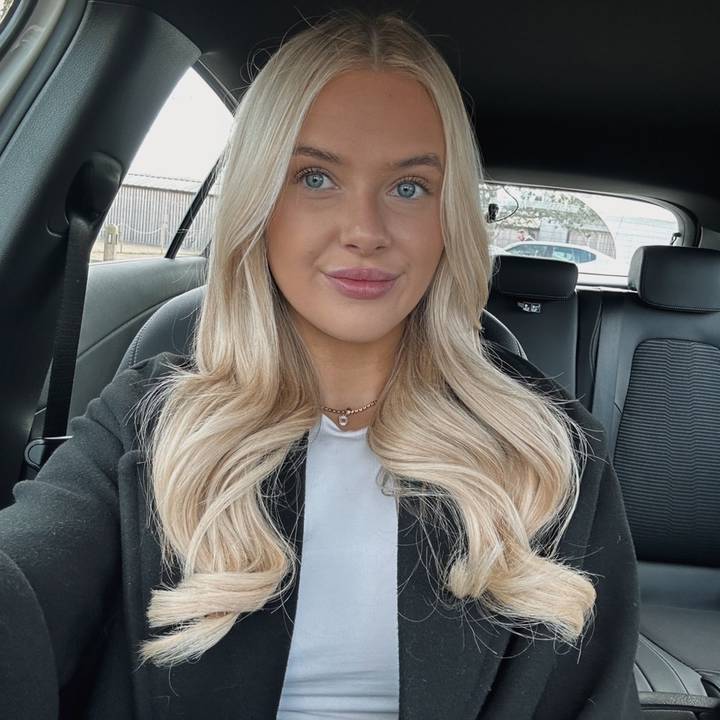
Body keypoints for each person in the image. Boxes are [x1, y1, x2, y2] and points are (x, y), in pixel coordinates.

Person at [0, 10, 641, 720]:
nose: (365, 230)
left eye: (409, 187)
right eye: (315, 178)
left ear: (449, 218)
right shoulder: (146, 427)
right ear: (260, 203)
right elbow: (22, 589)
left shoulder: (548, 451)